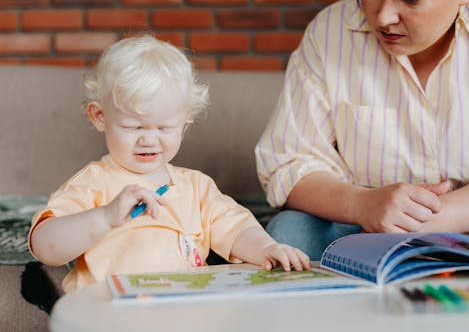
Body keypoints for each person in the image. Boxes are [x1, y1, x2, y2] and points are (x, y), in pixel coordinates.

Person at [29, 34, 310, 293]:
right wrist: (105, 217)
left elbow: (236, 229)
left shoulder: (196, 187)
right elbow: (45, 246)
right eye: (133, 127)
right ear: (99, 116)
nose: (149, 140)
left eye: (164, 128)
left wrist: (267, 248)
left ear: (185, 121)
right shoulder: (93, 183)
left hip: (181, 310)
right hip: (109, 314)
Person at [255, 0, 469, 260]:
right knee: (290, 231)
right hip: (363, 229)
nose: (383, 17)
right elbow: (289, 161)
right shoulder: (329, 32)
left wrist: (432, 218)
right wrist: (362, 204)